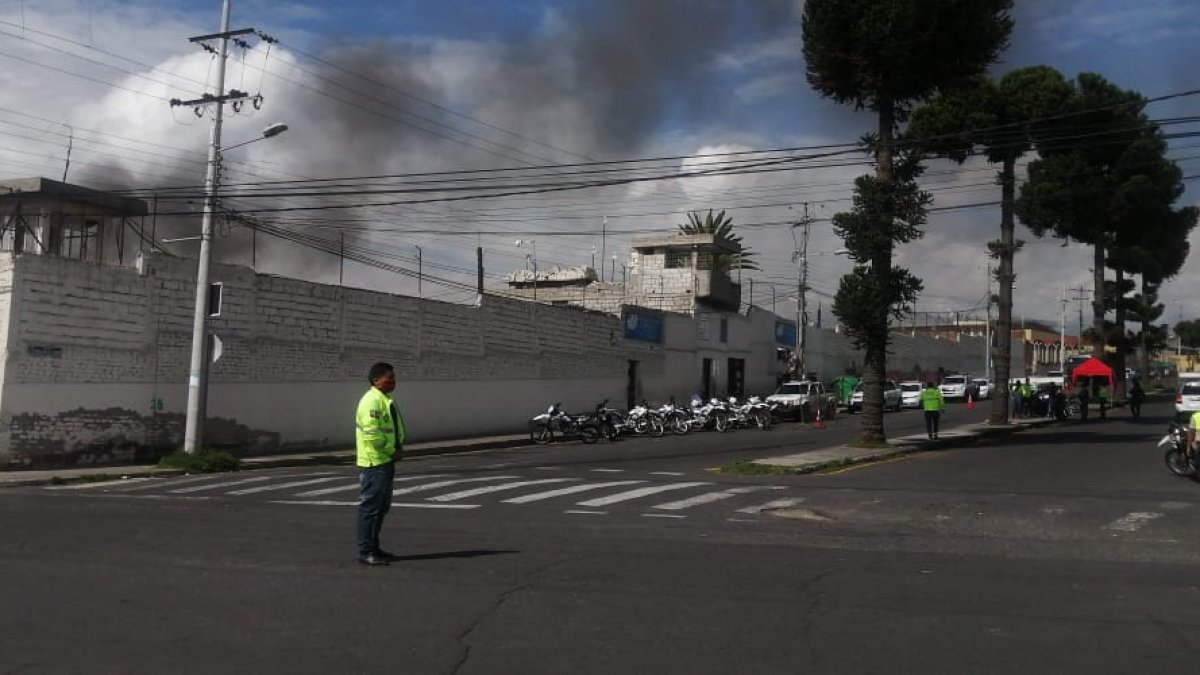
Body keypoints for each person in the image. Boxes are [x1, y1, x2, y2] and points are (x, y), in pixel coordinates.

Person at [355, 362, 406, 566]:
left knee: (380, 508)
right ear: (376, 380)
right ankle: (366, 551)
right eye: (389, 378)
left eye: (394, 378)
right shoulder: (372, 401)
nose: (393, 381)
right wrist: (391, 451)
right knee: (370, 509)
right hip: (374, 462)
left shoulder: (383, 399)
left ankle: (374, 548)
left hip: (384, 461)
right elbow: (372, 435)